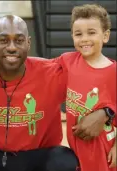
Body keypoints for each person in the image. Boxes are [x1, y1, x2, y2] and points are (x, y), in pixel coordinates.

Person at [0, 14, 114, 171]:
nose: (11, 47)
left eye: (18, 40)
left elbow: (102, 79)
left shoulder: (53, 72)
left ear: (28, 43)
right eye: (3, 40)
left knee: (66, 160)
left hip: (38, 158)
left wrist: (106, 112)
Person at [57, 4, 116, 171]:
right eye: (78, 34)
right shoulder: (68, 61)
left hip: (103, 149)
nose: (84, 39)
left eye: (91, 32)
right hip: (76, 147)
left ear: (105, 36)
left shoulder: (113, 73)